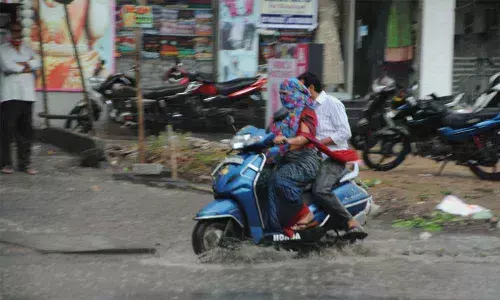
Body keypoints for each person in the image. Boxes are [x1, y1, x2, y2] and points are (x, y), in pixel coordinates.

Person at [298, 72, 367, 240]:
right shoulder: (306, 107)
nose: (298, 93)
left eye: (301, 89)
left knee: (320, 189)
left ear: (311, 88)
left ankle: (351, 222)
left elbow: (345, 132)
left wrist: (319, 143)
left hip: (334, 157)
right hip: (312, 157)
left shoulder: (332, 103)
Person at [264, 78, 321, 237]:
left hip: (305, 159)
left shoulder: (306, 111)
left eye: (286, 93)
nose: (283, 97)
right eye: (281, 93)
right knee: (263, 180)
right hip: (286, 157)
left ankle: (305, 214)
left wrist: (288, 141)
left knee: (280, 179)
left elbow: (305, 137)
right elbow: (270, 133)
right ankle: (276, 227)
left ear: (297, 92)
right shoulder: (284, 113)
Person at [0, 22, 41, 175]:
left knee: (25, 131)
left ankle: (24, 164)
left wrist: (23, 65)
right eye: (14, 31)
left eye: (19, 31)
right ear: (9, 33)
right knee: (6, 131)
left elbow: (39, 62)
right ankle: (6, 164)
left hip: (27, 95)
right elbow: (7, 67)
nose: (17, 34)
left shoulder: (27, 48)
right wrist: (28, 66)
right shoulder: (2, 49)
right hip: (10, 95)